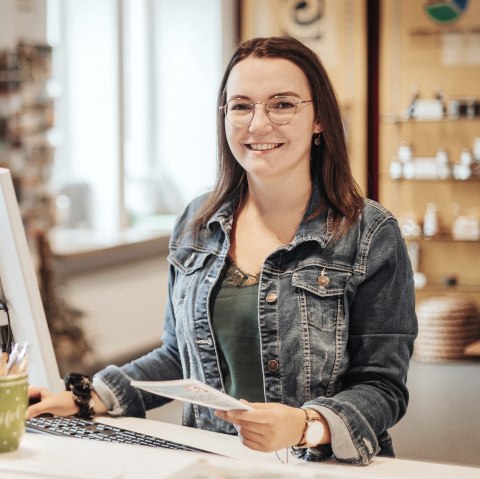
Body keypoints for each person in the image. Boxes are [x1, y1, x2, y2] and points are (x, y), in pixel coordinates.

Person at [28, 36, 417, 464]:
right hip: (212, 461)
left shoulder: (369, 232)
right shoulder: (198, 221)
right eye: (242, 105)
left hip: (324, 467)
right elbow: (179, 356)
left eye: (283, 105)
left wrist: (307, 425)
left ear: (320, 117)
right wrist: (88, 396)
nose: (258, 124)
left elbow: (383, 386)